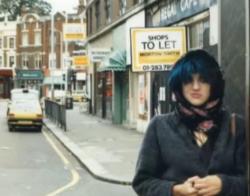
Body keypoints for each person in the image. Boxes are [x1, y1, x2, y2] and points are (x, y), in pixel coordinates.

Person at [132, 49, 247, 196]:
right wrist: (175, 190)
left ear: (214, 85)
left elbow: (246, 180)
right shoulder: (160, 126)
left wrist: (223, 184)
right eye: (188, 80)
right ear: (179, 85)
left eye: (203, 80)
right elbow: (142, 182)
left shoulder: (236, 125)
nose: (196, 87)